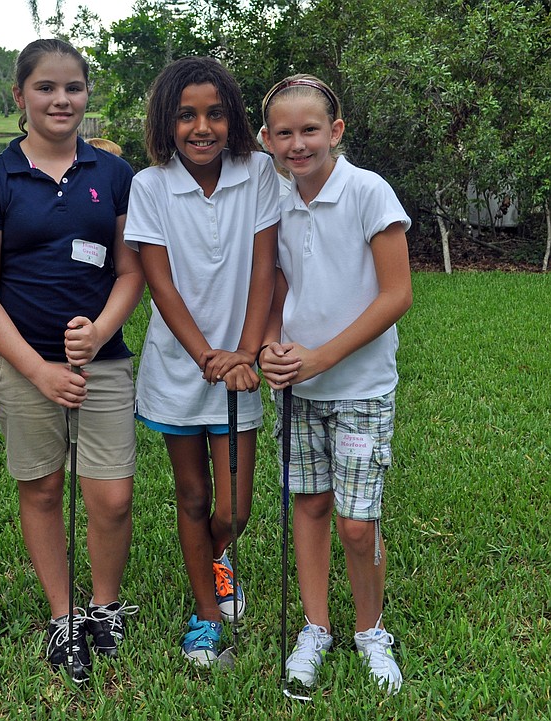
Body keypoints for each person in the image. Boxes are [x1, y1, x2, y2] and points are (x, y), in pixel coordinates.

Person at [0, 39, 144, 682]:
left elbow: (129, 272)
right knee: (41, 488)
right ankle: (65, 617)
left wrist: (98, 334)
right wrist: (36, 368)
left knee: (112, 496)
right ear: (21, 97)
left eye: (73, 87)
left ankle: (105, 606)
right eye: (46, 88)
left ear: (85, 95)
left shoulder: (113, 175)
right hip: (22, 367)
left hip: (104, 363)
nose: (61, 99)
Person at [123, 56, 280, 666]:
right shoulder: (150, 185)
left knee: (232, 506)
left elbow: (265, 267)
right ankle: (206, 615)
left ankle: (218, 555)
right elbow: (158, 281)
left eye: (215, 113)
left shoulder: (258, 171)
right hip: (178, 366)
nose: (202, 127)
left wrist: (243, 353)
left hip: (240, 366)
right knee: (192, 495)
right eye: (186, 115)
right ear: (167, 120)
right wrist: (207, 357)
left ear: (233, 118)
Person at [259, 74, 413, 694]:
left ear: (336, 132)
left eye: (311, 130)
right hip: (298, 390)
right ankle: (315, 627)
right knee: (310, 504)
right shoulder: (278, 198)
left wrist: (321, 357)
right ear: (268, 140)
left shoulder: (367, 191)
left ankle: (371, 630)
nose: (299, 144)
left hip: (361, 388)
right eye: (285, 133)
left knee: (356, 521)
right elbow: (281, 288)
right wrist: (272, 341)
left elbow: (397, 294)